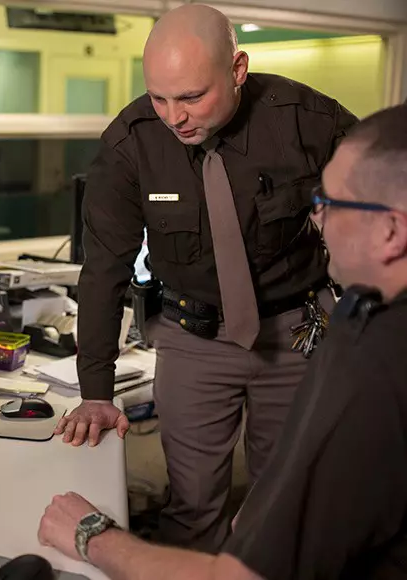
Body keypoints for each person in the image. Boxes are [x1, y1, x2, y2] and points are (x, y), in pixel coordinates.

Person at [39, 102, 407, 580]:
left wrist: (93, 534)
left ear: (391, 230)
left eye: (331, 204)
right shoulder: (370, 328)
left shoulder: (372, 372)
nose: (316, 220)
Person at [59, 3, 357, 549]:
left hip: (298, 332)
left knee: (287, 501)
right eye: (159, 97)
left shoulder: (307, 120)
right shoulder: (131, 144)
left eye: (192, 97)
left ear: (237, 70)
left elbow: (383, 208)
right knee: (192, 506)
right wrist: (96, 390)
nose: (175, 116)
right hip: (194, 340)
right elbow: (103, 268)